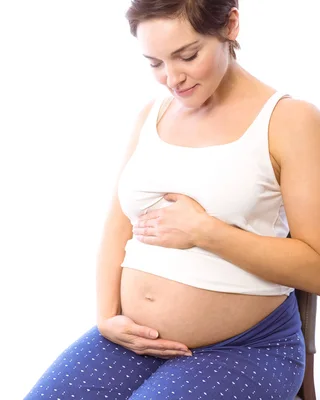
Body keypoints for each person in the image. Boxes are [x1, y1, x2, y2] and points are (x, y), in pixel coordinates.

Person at [24, 0, 320, 399]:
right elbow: (118, 224)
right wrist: (107, 315)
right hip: (132, 339)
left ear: (230, 25)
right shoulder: (153, 114)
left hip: (244, 346)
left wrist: (206, 232)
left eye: (188, 55)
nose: (171, 78)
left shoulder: (289, 120)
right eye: (154, 63)